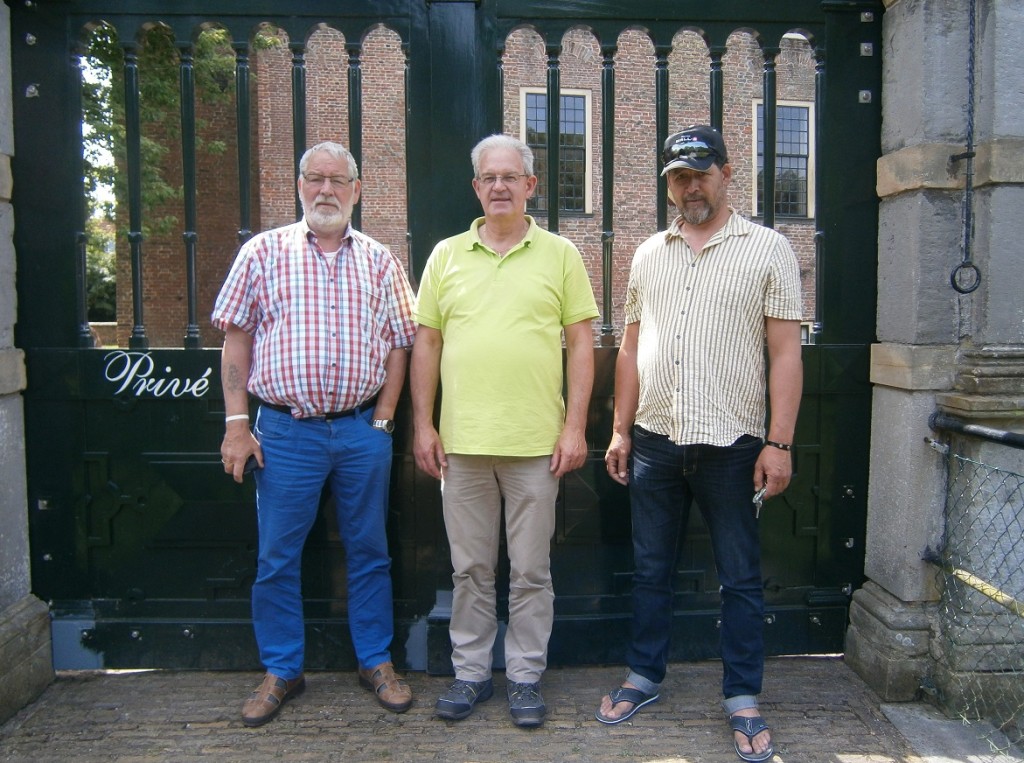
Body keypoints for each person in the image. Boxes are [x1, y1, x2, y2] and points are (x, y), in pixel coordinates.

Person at [595, 125, 803, 763]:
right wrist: (620, 428)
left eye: (700, 173)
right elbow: (629, 347)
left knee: (739, 579)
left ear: (727, 173)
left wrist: (780, 443)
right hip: (655, 439)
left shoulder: (768, 249)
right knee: (650, 569)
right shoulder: (649, 253)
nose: (690, 186)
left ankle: (742, 698)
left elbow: (786, 352)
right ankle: (645, 675)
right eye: (678, 177)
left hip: (734, 444)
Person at [212, 140, 417, 727]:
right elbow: (236, 339)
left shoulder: (380, 259)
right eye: (315, 178)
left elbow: (402, 341)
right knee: (278, 557)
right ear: (299, 185)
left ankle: (375, 661)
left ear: (356, 189)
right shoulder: (263, 253)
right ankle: (282, 669)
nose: (326, 189)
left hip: (359, 432)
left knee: (370, 552)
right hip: (283, 432)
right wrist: (235, 425)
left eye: (338, 180)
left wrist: (383, 420)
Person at [410, 134, 599, 728]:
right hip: (462, 445)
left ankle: (523, 677)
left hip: (535, 446)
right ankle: (470, 675)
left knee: (531, 569)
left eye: (510, 177)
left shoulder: (561, 255)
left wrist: (574, 427)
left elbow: (581, 344)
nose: (499, 186)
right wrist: (422, 422)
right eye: (489, 177)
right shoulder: (445, 255)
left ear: (530, 186)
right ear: (476, 187)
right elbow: (427, 343)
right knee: (469, 570)